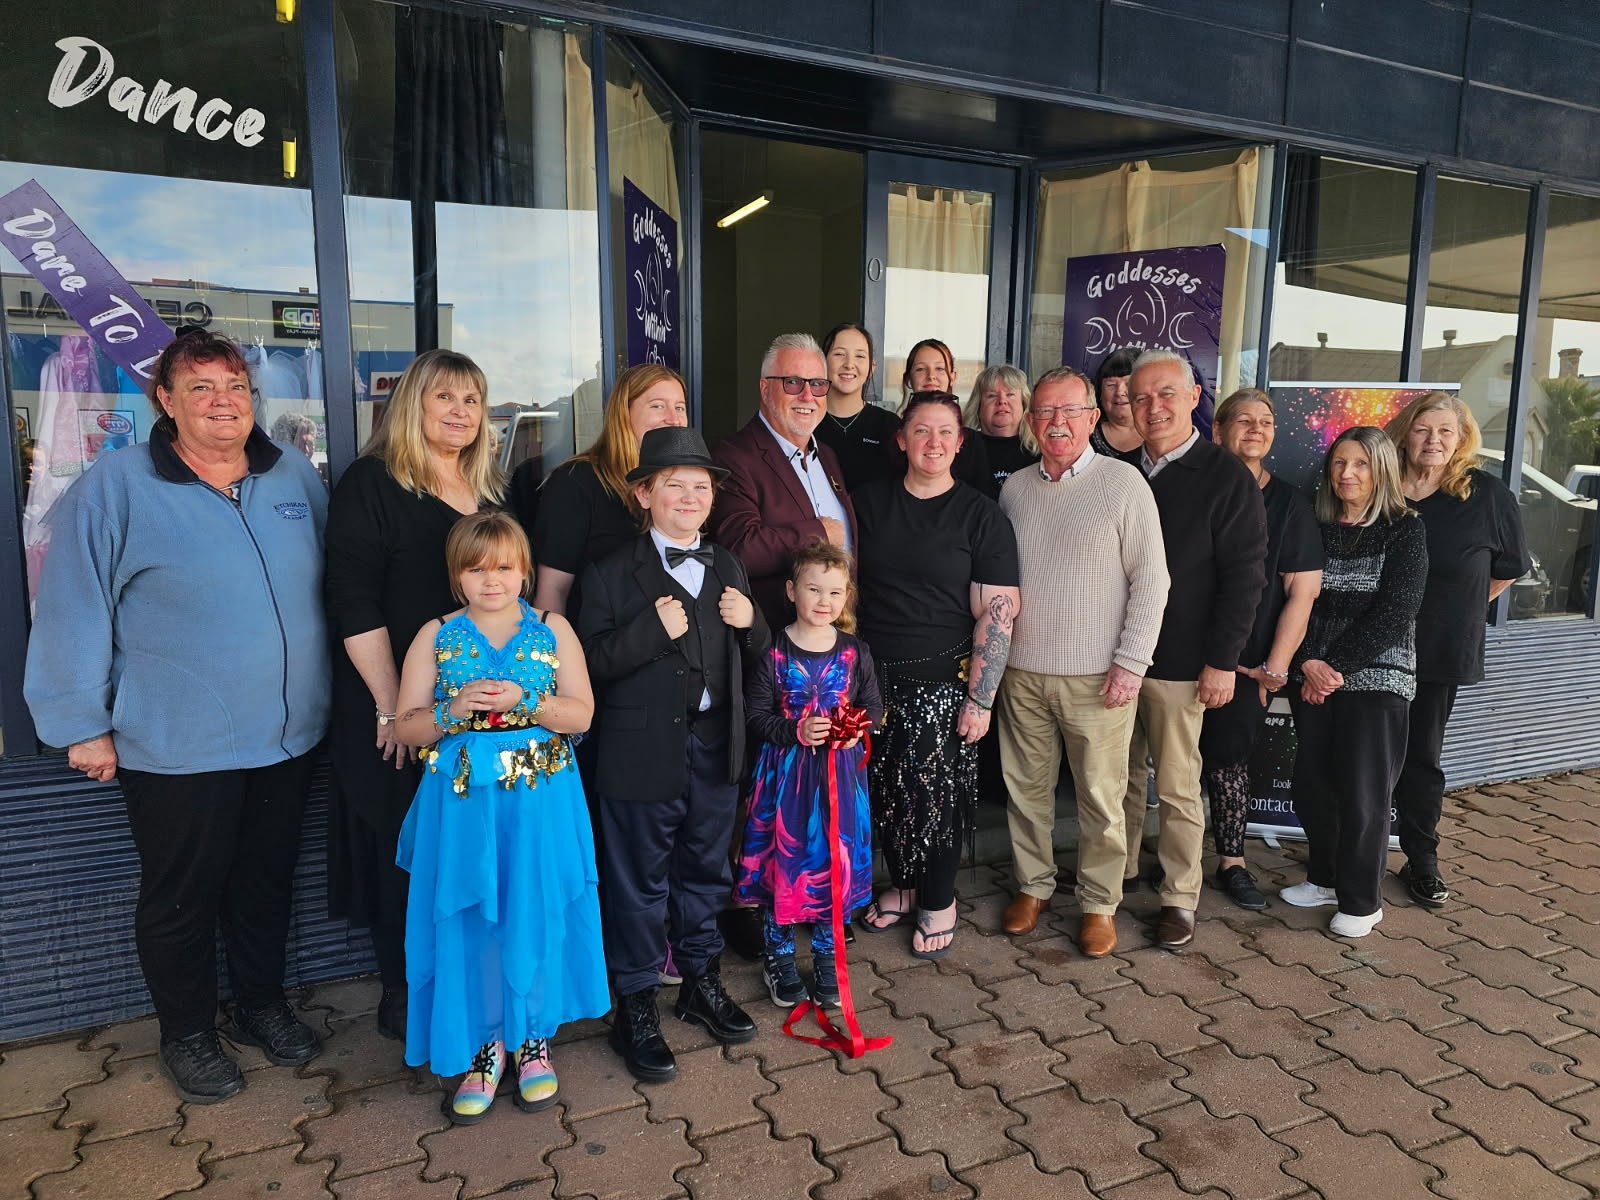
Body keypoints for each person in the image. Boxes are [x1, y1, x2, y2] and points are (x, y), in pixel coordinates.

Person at [24, 327, 330, 1104]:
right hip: (177, 743)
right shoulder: (117, 486)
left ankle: (259, 1004)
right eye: (201, 387)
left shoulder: (291, 473)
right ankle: (187, 1034)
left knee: (265, 886)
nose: (223, 402)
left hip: (287, 736)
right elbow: (72, 607)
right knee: (182, 899)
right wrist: (80, 723)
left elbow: (334, 581)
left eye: (235, 386)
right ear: (165, 400)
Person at [390, 512, 607, 1123]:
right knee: (474, 915)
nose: (492, 580)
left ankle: (532, 1035)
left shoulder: (553, 628)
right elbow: (406, 726)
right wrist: (453, 709)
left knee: (532, 905)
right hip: (464, 804)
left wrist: (527, 700)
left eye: (505, 567)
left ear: (525, 570)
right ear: (456, 575)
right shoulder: (436, 634)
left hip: (538, 801)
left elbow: (582, 714)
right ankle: (486, 1044)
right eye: (476, 569)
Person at [578, 426, 772, 1082]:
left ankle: (699, 980)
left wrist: (753, 622)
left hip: (715, 748)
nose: (690, 498)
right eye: (674, 486)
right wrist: (648, 631)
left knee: (706, 872)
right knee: (638, 882)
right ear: (644, 495)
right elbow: (590, 662)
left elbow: (758, 654)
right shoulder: (608, 573)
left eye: (701, 487)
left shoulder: (728, 566)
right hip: (640, 753)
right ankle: (635, 1003)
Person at [324, 349, 503, 1043]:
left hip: (481, 713)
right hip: (396, 703)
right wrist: (395, 707)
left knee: (468, 845)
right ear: (412, 406)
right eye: (444, 397)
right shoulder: (372, 484)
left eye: (472, 400)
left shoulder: (491, 493)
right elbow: (353, 601)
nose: (460, 412)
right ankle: (406, 993)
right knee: (405, 847)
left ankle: (471, 986)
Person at [996, 368, 1168, 956]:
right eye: (1045, 411)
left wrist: (1131, 662)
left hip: (1099, 675)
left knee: (1100, 797)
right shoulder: (1015, 489)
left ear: (1093, 418)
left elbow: (1152, 581)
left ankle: (1098, 903)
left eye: (1070, 411)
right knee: (1026, 791)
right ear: (1031, 421)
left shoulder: (1124, 484)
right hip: (1023, 671)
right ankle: (1033, 886)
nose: (1057, 423)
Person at [854, 391, 1020, 959]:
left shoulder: (980, 515)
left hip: (943, 680)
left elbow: (997, 612)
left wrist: (981, 698)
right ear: (901, 440)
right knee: (886, 790)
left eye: (945, 431)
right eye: (921, 430)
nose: (933, 442)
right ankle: (903, 887)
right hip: (872, 678)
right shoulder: (867, 503)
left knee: (937, 793)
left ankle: (938, 899)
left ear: (960, 442)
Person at [1118, 349, 1267, 951]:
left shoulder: (1226, 476)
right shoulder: (1120, 471)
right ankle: (1121, 871)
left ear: (1192, 398)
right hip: (1116, 659)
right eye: (1140, 397)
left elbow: (1245, 577)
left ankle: (1179, 897)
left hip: (1183, 664)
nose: (1153, 407)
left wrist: (1222, 661)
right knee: (1120, 778)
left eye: (1166, 394)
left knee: (1178, 786)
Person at [1281, 427, 1428, 938]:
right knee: (1313, 787)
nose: (1347, 473)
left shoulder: (1404, 528)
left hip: (1377, 681)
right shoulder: (1316, 526)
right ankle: (1324, 879)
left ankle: (1363, 902)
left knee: (1364, 795)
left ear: (1382, 469)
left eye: (1361, 463)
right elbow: (1293, 600)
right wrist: (1307, 661)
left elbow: (1396, 611)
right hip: (1314, 677)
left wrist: (1332, 667)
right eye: (1340, 463)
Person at [1386, 392, 1529, 910]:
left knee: (1421, 757)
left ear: (1462, 438)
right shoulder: (1381, 486)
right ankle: (1346, 853)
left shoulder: (1485, 495)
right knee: (1362, 754)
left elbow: (1510, 567)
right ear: (1405, 433)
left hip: (1439, 649)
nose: (1434, 440)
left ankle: (1421, 860)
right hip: (1369, 646)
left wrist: (1462, 606)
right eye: (1423, 429)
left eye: (1446, 431)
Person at [735, 541, 883, 1008]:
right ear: (791, 590)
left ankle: (826, 954)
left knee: (831, 864)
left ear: (846, 597)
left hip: (839, 781)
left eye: (835, 592)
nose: (824, 601)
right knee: (782, 862)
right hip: (785, 781)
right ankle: (778, 956)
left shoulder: (854, 652)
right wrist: (795, 730)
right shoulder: (773, 651)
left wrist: (855, 730)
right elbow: (756, 715)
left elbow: (874, 707)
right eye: (813, 589)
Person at [1200, 389, 1324, 911]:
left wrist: (1276, 666)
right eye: (1244, 420)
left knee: (1228, 762)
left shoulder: (1290, 504)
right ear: (1217, 430)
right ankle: (1156, 861)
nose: (1256, 429)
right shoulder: (1191, 488)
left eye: (1266, 421)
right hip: (1175, 656)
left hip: (1246, 666)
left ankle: (1232, 863)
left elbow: (1303, 591)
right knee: (1162, 765)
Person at [513, 363, 690, 625]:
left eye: (680, 407)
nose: (673, 419)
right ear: (624, 413)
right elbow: (553, 591)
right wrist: (556, 648)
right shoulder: (576, 482)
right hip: (594, 642)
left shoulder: (685, 484)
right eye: (657, 406)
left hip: (667, 642)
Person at [815, 322, 900, 491]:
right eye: (839, 354)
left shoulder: (889, 425)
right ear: (822, 362)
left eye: (860, 356)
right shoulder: (806, 421)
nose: (849, 364)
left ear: (871, 368)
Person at [899, 337, 990, 490]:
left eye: (939, 369)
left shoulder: (972, 442)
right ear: (908, 378)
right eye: (920, 369)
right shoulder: (895, 432)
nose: (931, 376)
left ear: (953, 377)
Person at [964, 364, 1041, 499]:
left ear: (1024, 404)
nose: (1002, 401)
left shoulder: (1040, 453)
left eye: (1010, 394)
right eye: (991, 395)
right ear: (978, 406)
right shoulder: (962, 451)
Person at [1089, 349, 1142, 457]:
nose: (1119, 392)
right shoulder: (1085, 436)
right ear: (1099, 392)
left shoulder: (1163, 434)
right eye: (1111, 385)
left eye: (1128, 384)